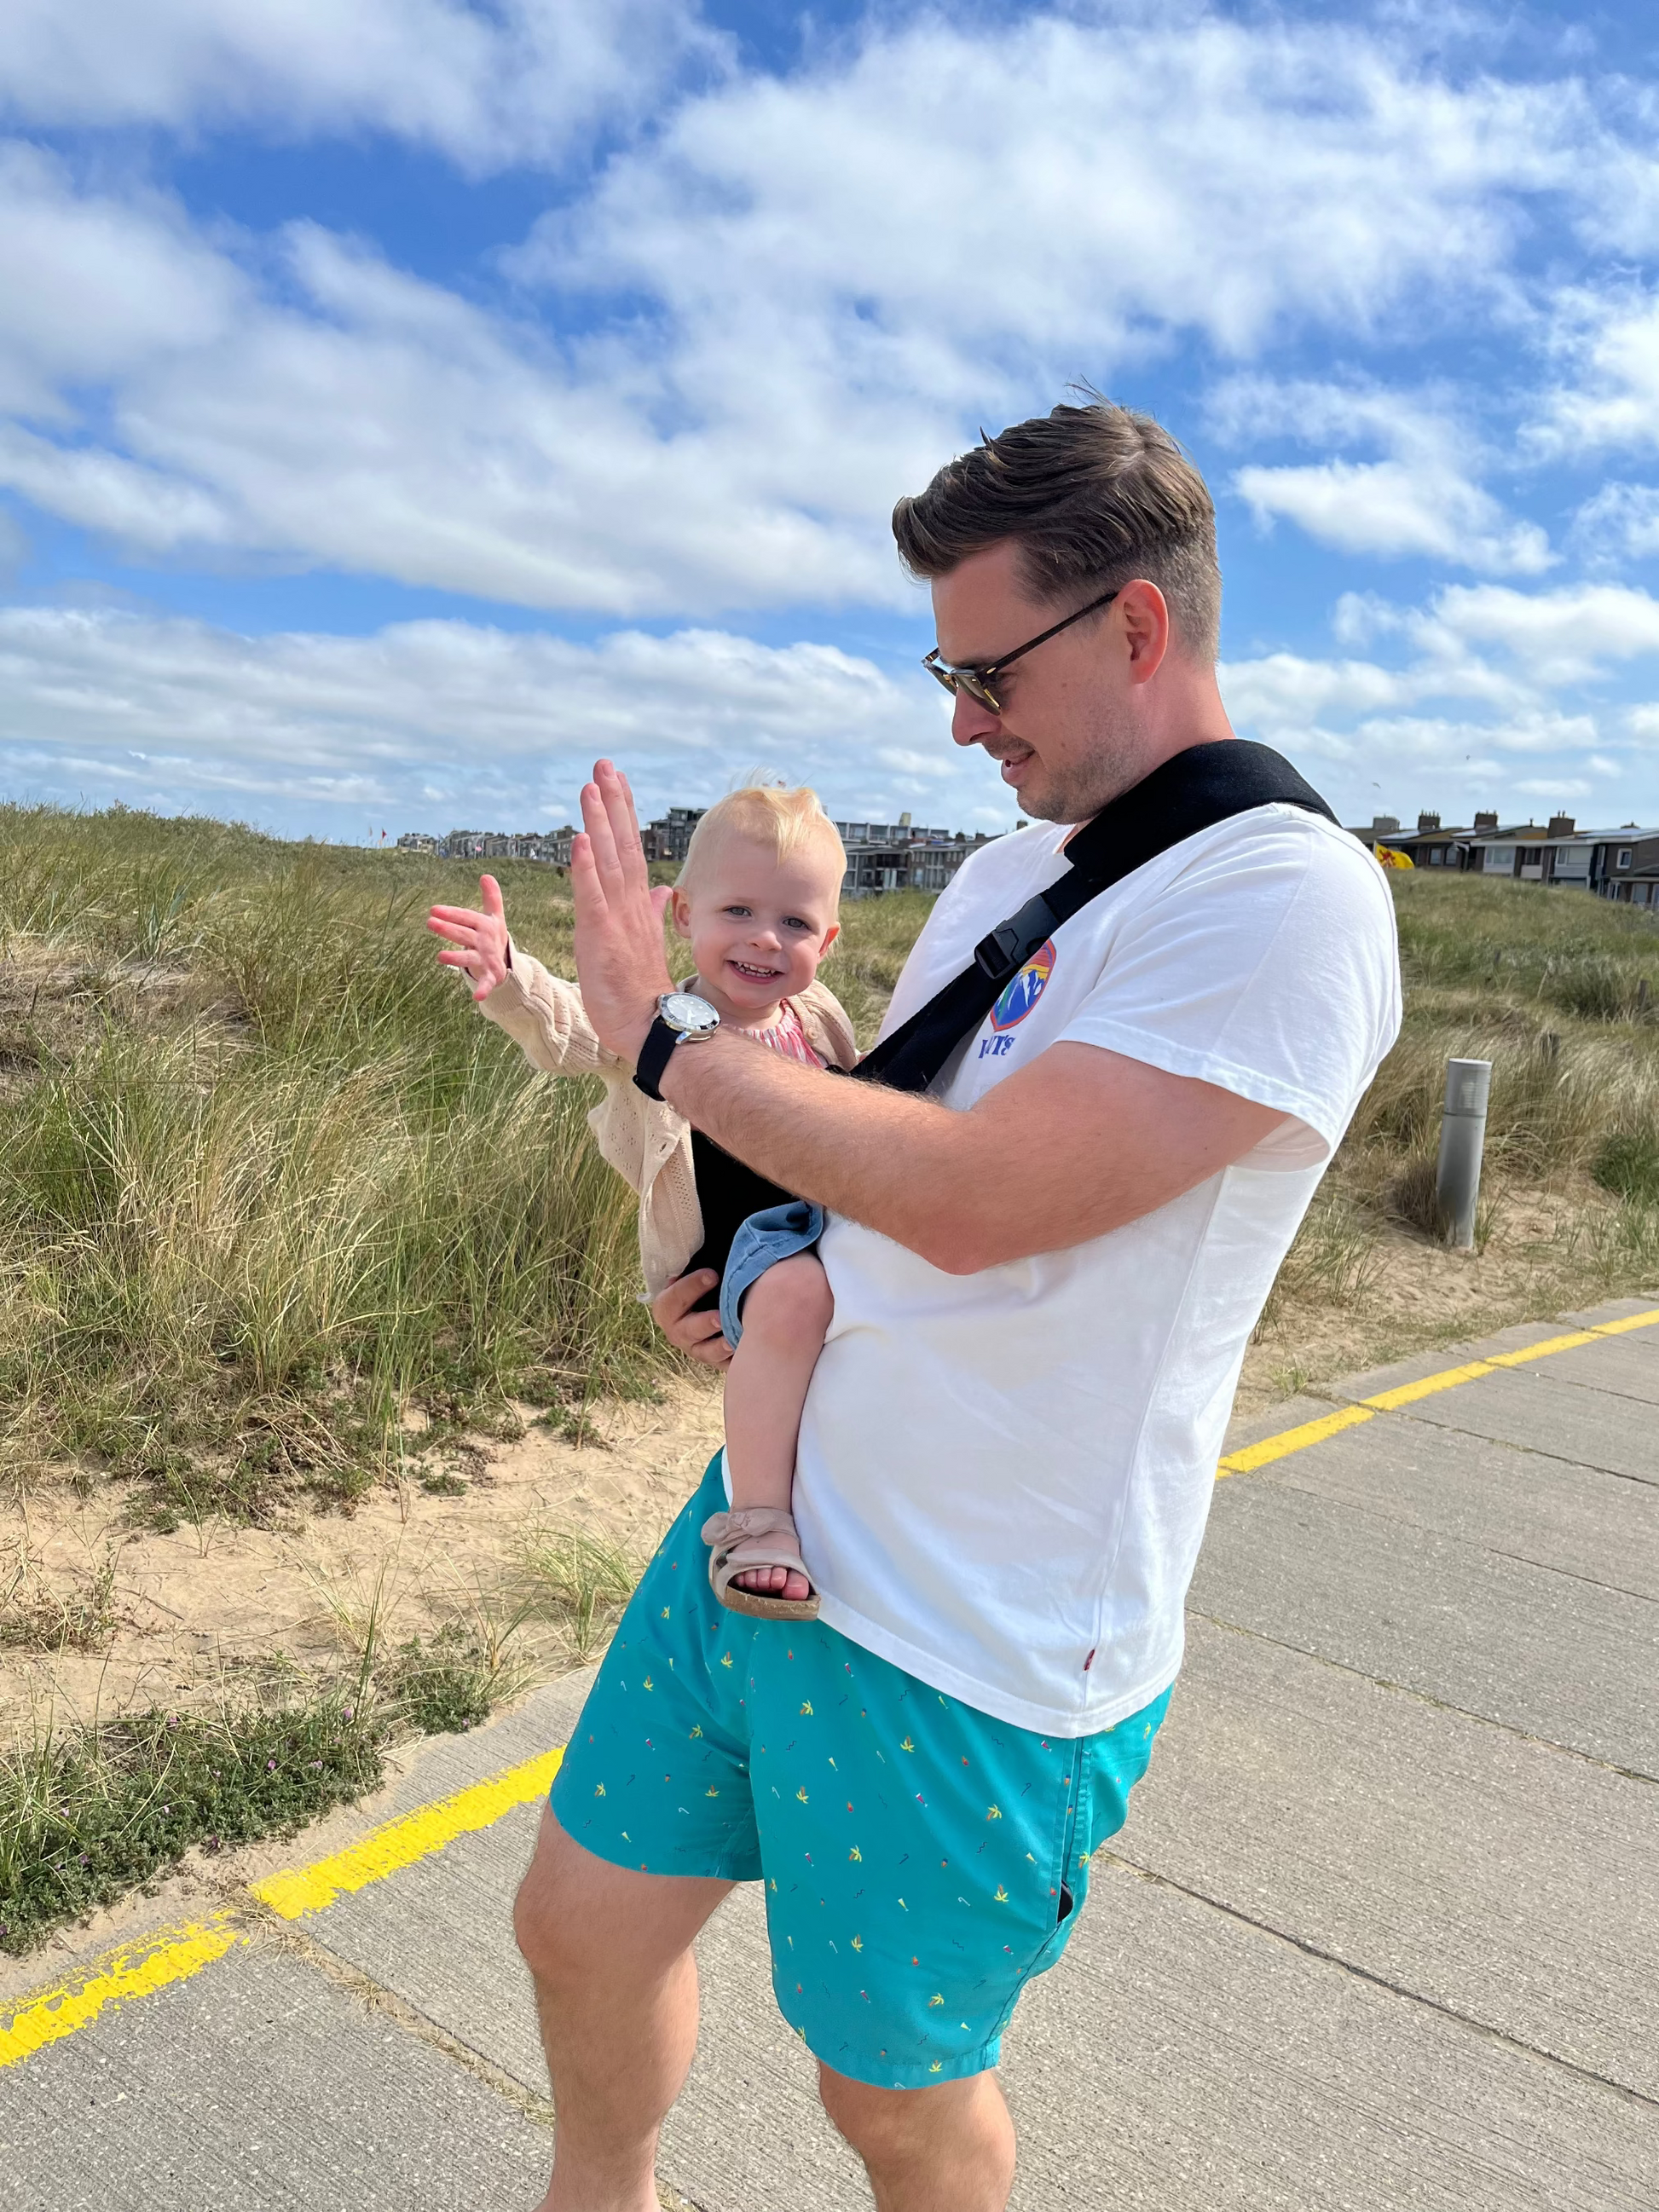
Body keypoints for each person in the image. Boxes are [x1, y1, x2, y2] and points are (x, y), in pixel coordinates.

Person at [512, 399, 1403, 2212]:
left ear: (1135, 629)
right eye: (946, 665)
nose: (959, 719)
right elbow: (897, 1150)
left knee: (891, 2101)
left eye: (985, 668)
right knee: (578, 1926)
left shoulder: (1285, 900)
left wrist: (660, 1039)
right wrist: (758, 1266)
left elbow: (994, 1205)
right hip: (769, 1533)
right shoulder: (1009, 871)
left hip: (982, 1635)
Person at [425, 786, 855, 1614]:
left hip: (816, 1229)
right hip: (739, 1247)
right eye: (738, 910)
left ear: (827, 940)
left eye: (795, 923)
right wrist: (512, 973)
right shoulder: (669, 1019)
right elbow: (579, 1028)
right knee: (797, 1296)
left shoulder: (815, 1016)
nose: (766, 938)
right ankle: (757, 1521)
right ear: (684, 915)